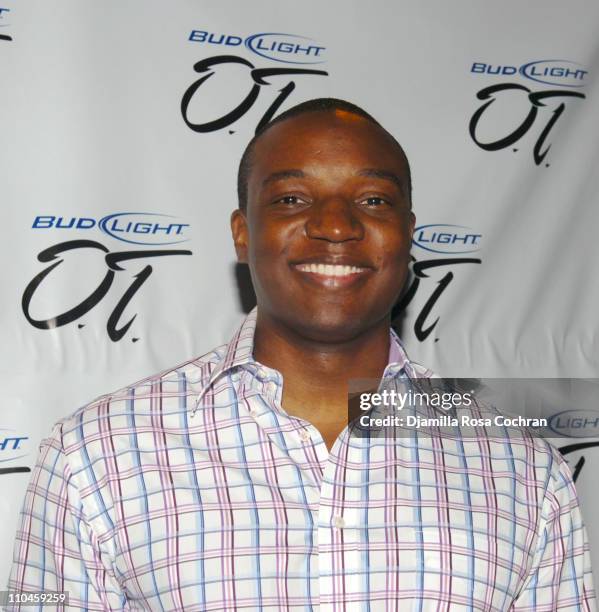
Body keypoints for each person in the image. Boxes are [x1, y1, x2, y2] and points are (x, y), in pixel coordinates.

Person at [7, 98, 596, 611]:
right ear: (243, 232)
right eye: (291, 198)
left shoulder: (521, 469)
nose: (335, 226)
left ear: (408, 234)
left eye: (372, 199)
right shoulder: (94, 455)